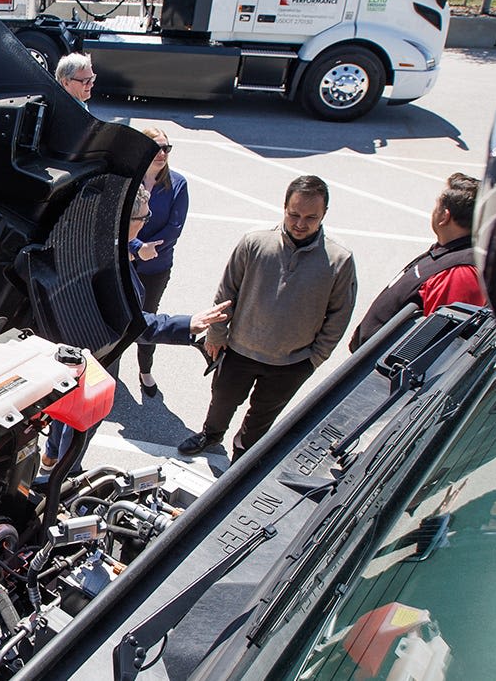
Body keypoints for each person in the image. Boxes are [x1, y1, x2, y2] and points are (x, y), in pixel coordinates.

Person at [43, 185, 231, 476]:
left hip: (70, 350)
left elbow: (116, 241)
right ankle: (66, 471)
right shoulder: (109, 264)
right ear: (126, 219)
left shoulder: (92, 237)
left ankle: (51, 456)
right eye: (144, 216)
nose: (147, 221)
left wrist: (133, 248)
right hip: (96, 355)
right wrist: (187, 324)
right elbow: (131, 324)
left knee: (63, 408)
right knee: (84, 418)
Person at [179, 175, 357, 459]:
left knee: (260, 418)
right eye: (294, 214)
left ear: (324, 214)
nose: (300, 223)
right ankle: (211, 434)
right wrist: (216, 333)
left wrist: (315, 358)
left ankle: (241, 461)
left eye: (311, 217)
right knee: (222, 401)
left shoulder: (339, 260)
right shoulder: (254, 243)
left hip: (292, 362)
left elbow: (339, 314)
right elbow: (227, 291)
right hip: (238, 350)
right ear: (284, 207)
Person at [347, 172, 485, 352]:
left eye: (437, 205)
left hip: (378, 371)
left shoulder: (460, 272)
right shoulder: (449, 252)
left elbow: (437, 345)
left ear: (444, 216)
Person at [130, 127, 190, 397]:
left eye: (167, 148)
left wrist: (148, 250)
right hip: (126, 261)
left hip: (156, 267)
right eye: (157, 148)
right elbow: (115, 224)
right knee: (118, 316)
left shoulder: (177, 184)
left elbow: (174, 227)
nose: (163, 153)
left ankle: (145, 370)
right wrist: (136, 247)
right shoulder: (128, 180)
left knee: (148, 319)